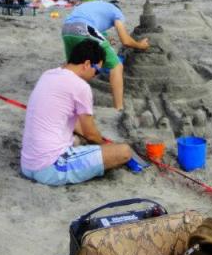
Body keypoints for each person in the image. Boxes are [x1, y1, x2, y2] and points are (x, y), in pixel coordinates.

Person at [20, 40, 132, 186]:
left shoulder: (48, 74)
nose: (95, 75)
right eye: (96, 71)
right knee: (124, 152)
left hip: (28, 164)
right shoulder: (80, 87)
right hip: (52, 167)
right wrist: (105, 146)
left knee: (77, 140)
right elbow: (90, 134)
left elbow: (76, 126)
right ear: (87, 64)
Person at [62, 0, 149, 110]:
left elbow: (98, 35)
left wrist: (107, 41)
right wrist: (140, 45)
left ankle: (64, 100)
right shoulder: (117, 12)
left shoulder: (97, 6)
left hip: (66, 30)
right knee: (116, 66)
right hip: (83, 28)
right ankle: (119, 108)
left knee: (72, 67)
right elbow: (125, 40)